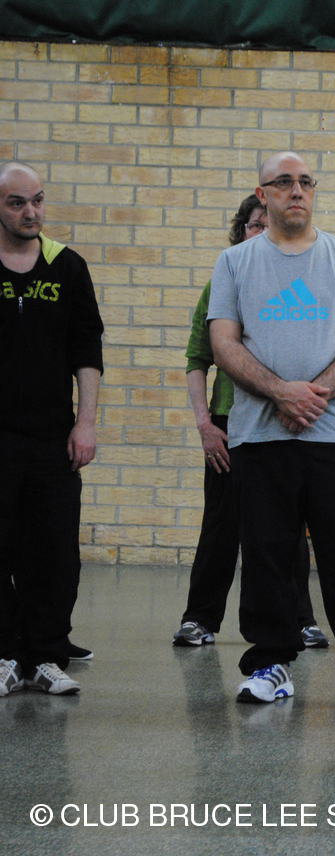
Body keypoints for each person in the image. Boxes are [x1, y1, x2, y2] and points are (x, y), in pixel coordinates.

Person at [207, 151, 335, 710]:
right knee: (268, 554)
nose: (296, 190)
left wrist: (311, 394)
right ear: (263, 194)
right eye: (283, 182)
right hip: (261, 436)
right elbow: (223, 342)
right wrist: (280, 392)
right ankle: (270, 664)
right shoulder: (234, 263)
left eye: (305, 181)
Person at [174, 194, 328, 650]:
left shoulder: (300, 284)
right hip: (230, 422)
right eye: (253, 226)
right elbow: (197, 359)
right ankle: (200, 619)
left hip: (285, 420)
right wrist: (205, 425)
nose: (259, 233)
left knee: (288, 527)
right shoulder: (223, 281)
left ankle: (300, 620)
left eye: (267, 226)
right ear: (241, 232)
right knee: (221, 525)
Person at [0, 161, 103, 697]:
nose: (30, 212)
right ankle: (5, 653)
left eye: (37, 200)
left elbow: (87, 352)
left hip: (52, 437)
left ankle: (45, 654)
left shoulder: (67, 266)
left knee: (55, 552)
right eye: (17, 202)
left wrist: (85, 423)